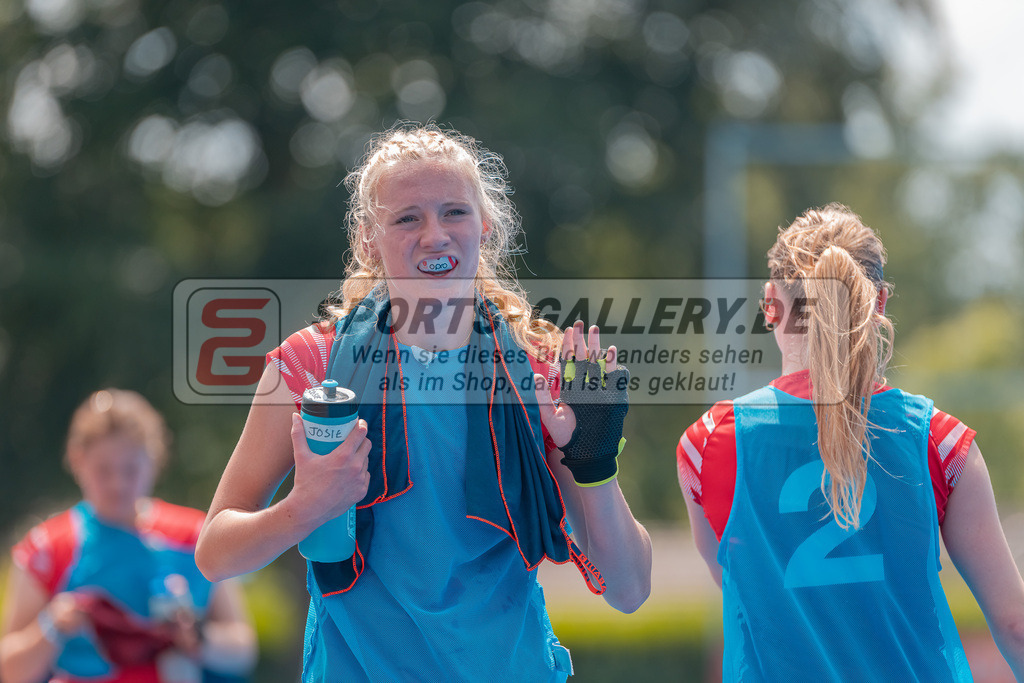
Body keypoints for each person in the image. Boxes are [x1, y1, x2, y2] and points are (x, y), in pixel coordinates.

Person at [195, 123, 652, 681]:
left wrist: (594, 462)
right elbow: (215, 555)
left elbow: (629, 589)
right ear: (369, 239)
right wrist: (306, 506)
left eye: (454, 212)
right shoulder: (309, 363)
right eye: (407, 217)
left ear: (485, 227)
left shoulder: (538, 369)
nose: (435, 235)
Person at [676, 203, 1024, 680]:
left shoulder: (707, 444)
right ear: (878, 302)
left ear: (770, 304)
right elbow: (1015, 624)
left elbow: (742, 591)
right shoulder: (940, 442)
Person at [0, 389, 258, 683]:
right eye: (103, 470)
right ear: (77, 460)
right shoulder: (47, 548)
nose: (118, 484)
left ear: (154, 460)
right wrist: (51, 626)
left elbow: (243, 650)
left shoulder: (197, 535)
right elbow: (10, 670)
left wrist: (196, 637)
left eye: (131, 469)